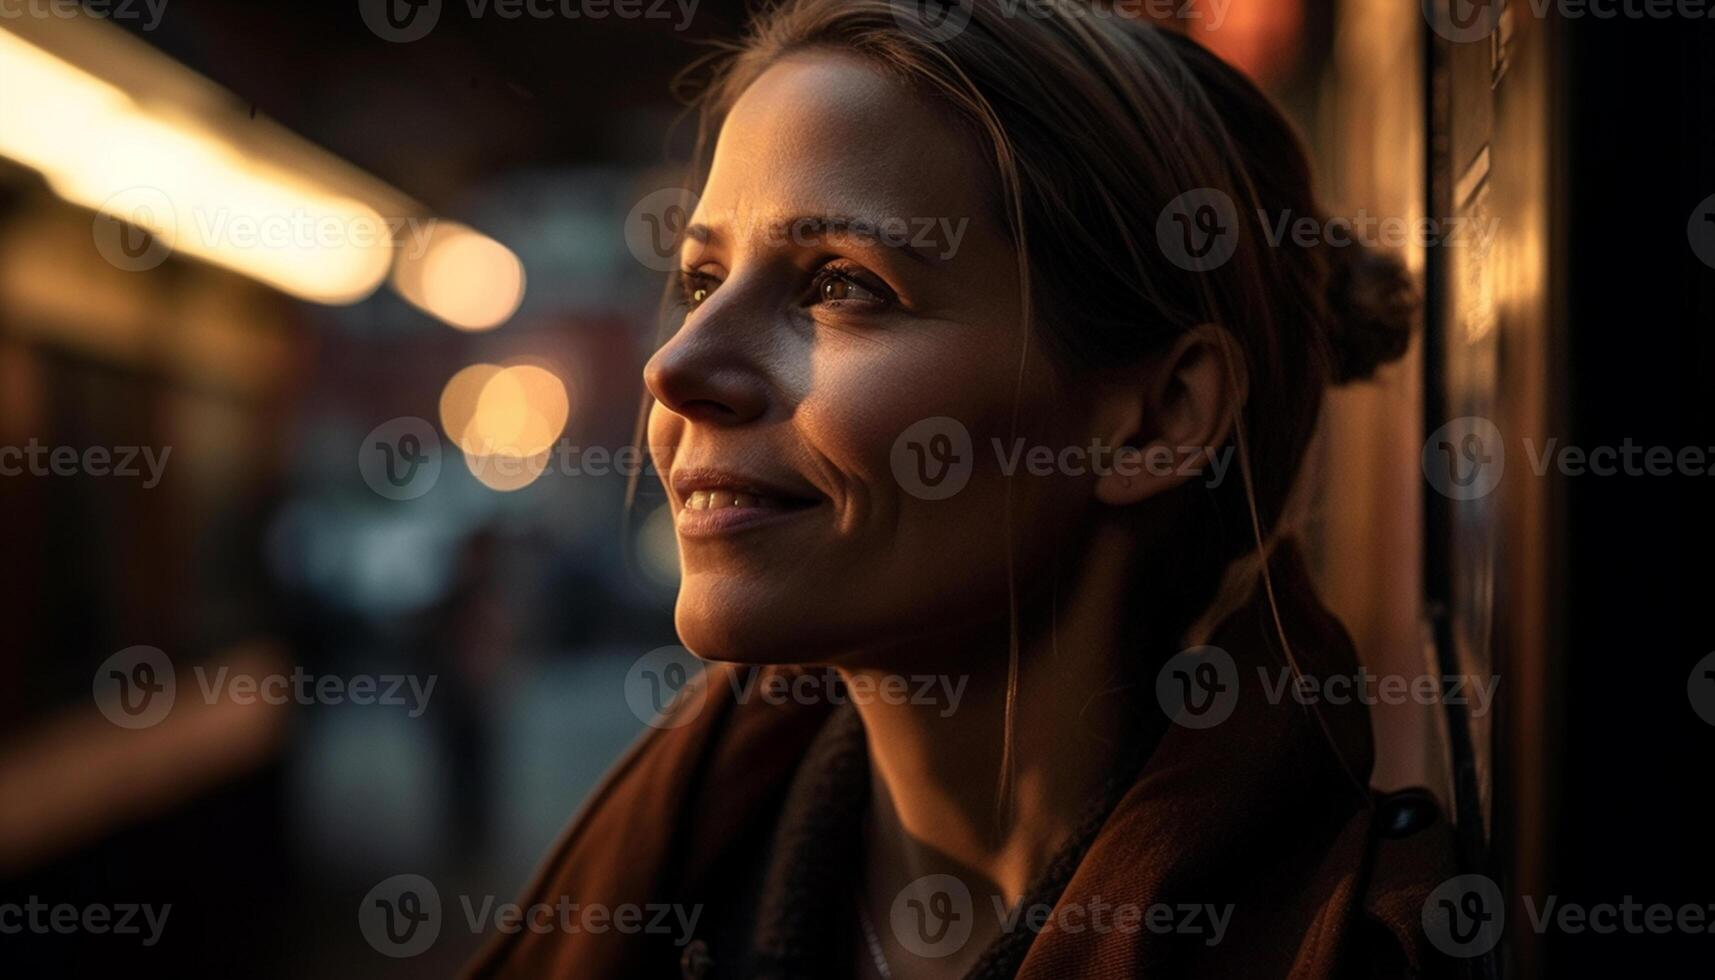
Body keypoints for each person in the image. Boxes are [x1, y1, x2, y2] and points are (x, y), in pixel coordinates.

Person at [467, 1, 1454, 977]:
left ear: (1154, 420)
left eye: (840, 283)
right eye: (698, 280)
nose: (674, 365)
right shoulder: (647, 901)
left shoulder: (1379, 950)